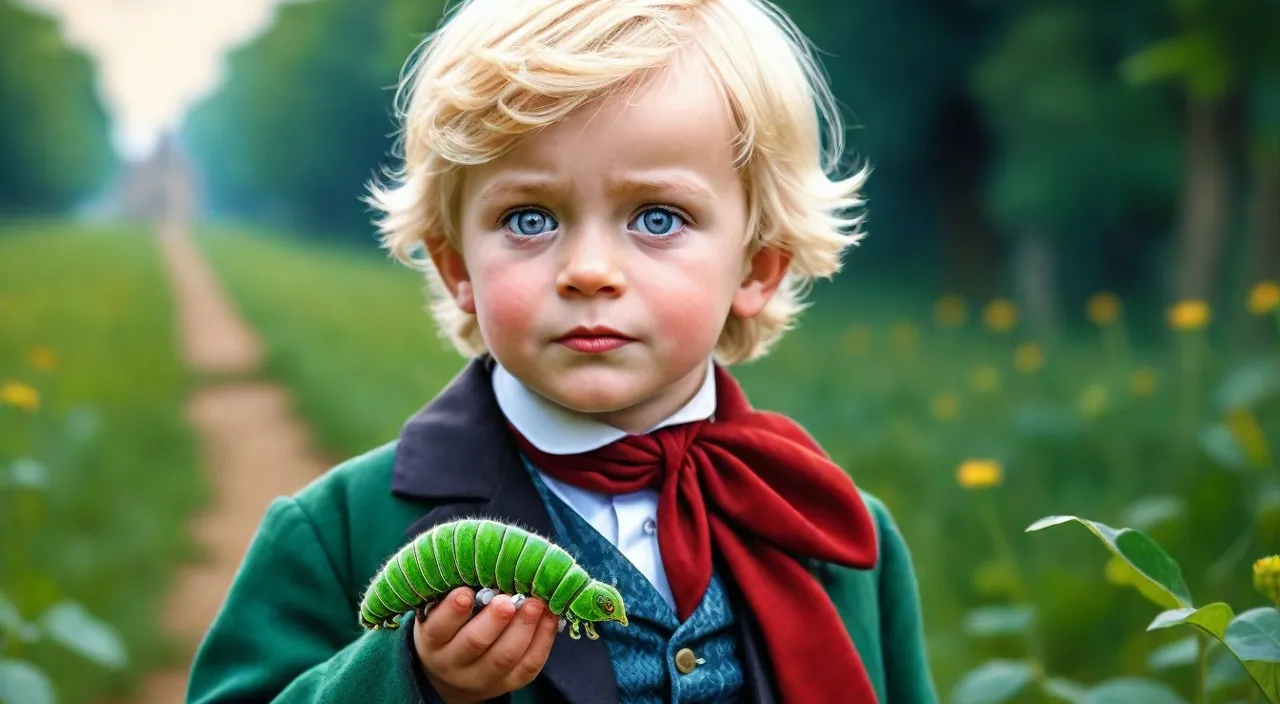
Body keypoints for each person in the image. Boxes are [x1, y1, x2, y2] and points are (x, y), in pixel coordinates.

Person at [186, 0, 938, 702]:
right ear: (457, 270)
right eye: (530, 218)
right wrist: (413, 679)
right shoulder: (339, 530)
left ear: (758, 266)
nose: (588, 270)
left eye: (657, 216)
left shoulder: (838, 534)